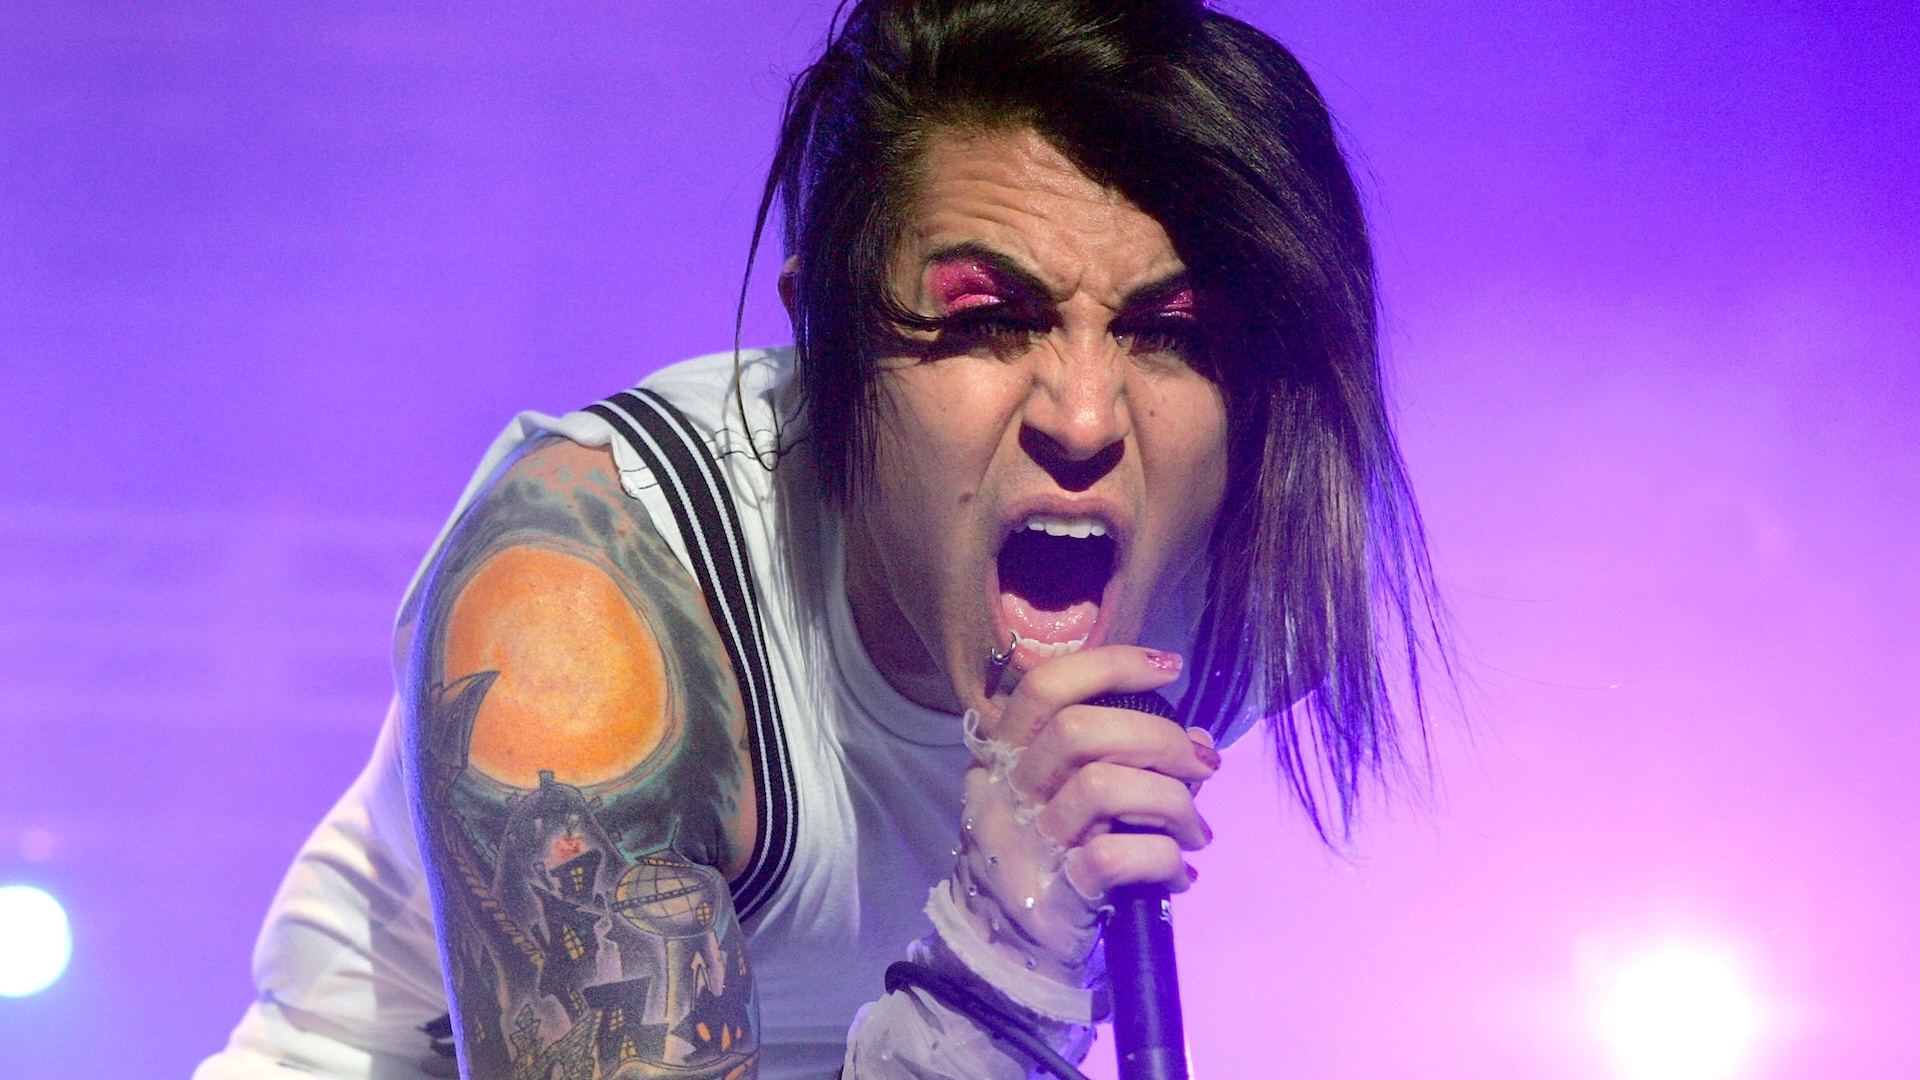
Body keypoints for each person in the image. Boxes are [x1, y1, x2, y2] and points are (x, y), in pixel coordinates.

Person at [193, 1, 1440, 1077]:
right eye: (992, 318)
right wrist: (1000, 961)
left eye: (1165, 331)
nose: (1084, 416)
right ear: (827, 342)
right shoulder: (587, 613)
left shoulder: (1251, 599)